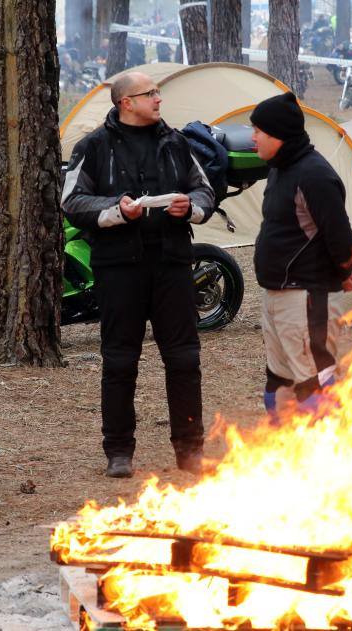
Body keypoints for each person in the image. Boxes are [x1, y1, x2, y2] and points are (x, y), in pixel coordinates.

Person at [62, 71, 215, 478]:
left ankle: (190, 448)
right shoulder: (93, 147)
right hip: (119, 270)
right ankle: (118, 451)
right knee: (119, 360)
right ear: (125, 102)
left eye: (158, 92)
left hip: (172, 265)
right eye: (150, 93)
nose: (159, 99)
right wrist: (116, 210)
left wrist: (192, 207)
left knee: (184, 358)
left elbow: (204, 190)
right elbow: (72, 200)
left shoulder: (176, 142)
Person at [249, 93, 352, 423]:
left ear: (278, 134)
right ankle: (284, 450)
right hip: (277, 294)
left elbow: (343, 240)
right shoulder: (279, 170)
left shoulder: (314, 175)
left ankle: (327, 455)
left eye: (258, 130)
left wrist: (342, 271)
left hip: (307, 296)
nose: (252, 137)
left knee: (314, 379)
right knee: (280, 378)